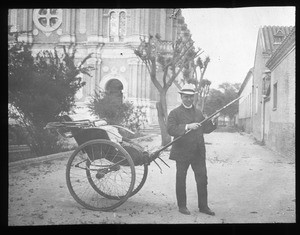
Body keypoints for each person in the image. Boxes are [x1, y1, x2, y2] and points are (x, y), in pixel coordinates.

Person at [167, 83, 218, 216]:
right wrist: (187, 126)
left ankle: (203, 206)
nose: (188, 99)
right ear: (181, 97)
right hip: (182, 151)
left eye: (190, 97)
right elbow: (170, 129)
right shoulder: (174, 113)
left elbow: (206, 129)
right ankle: (182, 206)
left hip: (198, 152)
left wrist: (214, 122)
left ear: (194, 97)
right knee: (181, 178)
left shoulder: (198, 112)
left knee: (202, 179)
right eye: (186, 96)